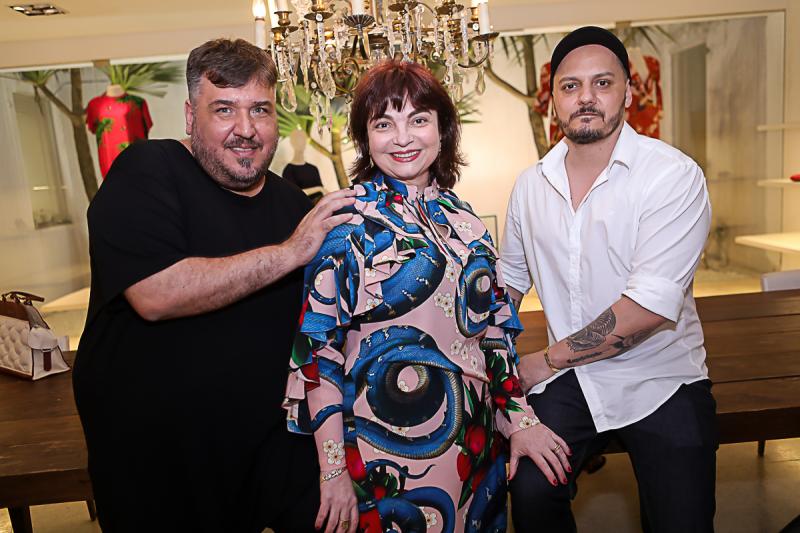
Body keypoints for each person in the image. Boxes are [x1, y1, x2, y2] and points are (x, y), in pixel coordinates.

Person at [73, 38, 355, 532]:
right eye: (224, 109)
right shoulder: (146, 171)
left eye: (259, 110)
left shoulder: (293, 206)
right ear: (189, 115)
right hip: (162, 468)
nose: (245, 129)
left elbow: (324, 330)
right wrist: (290, 252)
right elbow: (156, 294)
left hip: (273, 450)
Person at [283, 60, 571, 533]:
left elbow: (493, 339)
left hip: (476, 449)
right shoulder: (346, 226)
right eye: (383, 124)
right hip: (385, 460)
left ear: (443, 130)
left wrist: (520, 421)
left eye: (418, 119)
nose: (402, 138)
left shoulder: (466, 222)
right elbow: (320, 358)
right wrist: (332, 471)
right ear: (365, 138)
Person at [500, 27, 716, 532]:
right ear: (553, 99)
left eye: (602, 83)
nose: (586, 98)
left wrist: (542, 361)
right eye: (570, 86)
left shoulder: (672, 176)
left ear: (628, 92)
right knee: (530, 489)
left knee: (682, 523)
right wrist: (483, 355)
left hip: (661, 377)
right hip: (574, 381)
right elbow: (506, 286)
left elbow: (646, 309)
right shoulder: (531, 186)